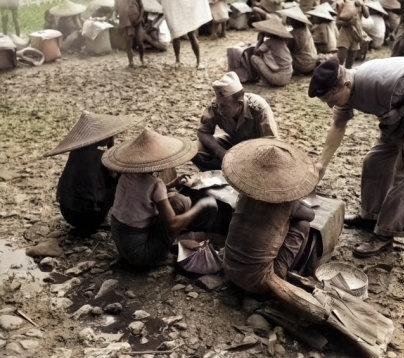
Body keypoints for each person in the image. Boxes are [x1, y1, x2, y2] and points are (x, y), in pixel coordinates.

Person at [308, 57, 404, 257]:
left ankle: (386, 234)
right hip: (397, 113)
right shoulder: (343, 88)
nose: (330, 106)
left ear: (346, 85)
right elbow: (338, 125)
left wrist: (400, 111)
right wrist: (321, 164)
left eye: (331, 100)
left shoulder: (381, 83)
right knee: (375, 161)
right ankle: (370, 217)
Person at [102, 128, 218, 267]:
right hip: (141, 256)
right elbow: (173, 224)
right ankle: (161, 255)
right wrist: (202, 205)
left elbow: (144, 194)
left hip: (122, 243)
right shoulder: (155, 184)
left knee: (172, 200)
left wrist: (171, 184)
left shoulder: (126, 175)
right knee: (179, 202)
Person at [222, 138, 318, 294]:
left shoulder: (245, 194)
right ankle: (287, 272)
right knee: (302, 225)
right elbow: (310, 215)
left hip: (229, 268)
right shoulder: (286, 202)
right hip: (259, 282)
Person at [44, 112, 140, 233]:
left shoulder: (77, 149)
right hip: (90, 217)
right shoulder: (99, 158)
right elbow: (113, 170)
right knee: (122, 177)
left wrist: (110, 141)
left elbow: (108, 151)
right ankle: (124, 218)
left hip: (67, 212)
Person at [192, 71, 279, 170]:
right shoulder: (217, 104)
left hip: (257, 149)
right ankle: (226, 173)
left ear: (240, 104)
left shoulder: (259, 108)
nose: (219, 110)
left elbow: (272, 142)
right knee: (195, 149)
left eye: (224, 106)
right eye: (218, 104)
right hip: (233, 143)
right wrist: (221, 152)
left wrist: (249, 157)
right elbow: (203, 132)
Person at [162, 0, 212, 69]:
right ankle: (177, 60)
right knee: (176, 35)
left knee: (190, 34)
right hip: (176, 9)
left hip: (186, 9)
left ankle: (198, 62)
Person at [250, 18, 294, 86]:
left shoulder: (269, 42)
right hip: (288, 75)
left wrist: (260, 39)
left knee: (253, 58)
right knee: (267, 56)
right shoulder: (283, 41)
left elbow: (255, 52)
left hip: (278, 78)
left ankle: (264, 81)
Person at [278, 6, 319, 74]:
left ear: (294, 20)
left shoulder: (293, 34)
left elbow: (286, 49)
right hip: (312, 62)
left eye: (289, 18)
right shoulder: (306, 29)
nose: (287, 19)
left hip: (302, 64)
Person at [336, 0, 369, 68]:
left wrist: (363, 5)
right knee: (340, 61)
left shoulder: (360, 4)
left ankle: (346, 76)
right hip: (344, 33)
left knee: (350, 63)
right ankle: (337, 76)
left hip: (356, 34)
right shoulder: (342, 4)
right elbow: (337, 22)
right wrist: (348, 23)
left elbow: (367, 15)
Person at [116, 0, 145, 66]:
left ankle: (142, 59)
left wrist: (140, 18)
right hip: (127, 22)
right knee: (128, 42)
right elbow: (116, 9)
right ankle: (131, 61)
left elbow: (142, 7)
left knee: (140, 41)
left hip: (137, 21)